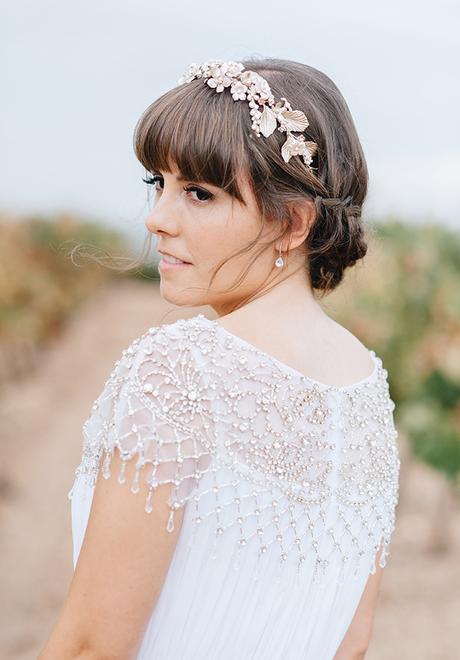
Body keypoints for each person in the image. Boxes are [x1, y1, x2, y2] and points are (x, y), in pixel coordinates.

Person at [38, 57, 400, 660]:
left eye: (199, 194)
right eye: (158, 184)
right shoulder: (367, 388)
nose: (157, 219)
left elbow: (91, 646)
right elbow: (352, 644)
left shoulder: (181, 369)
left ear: (292, 222)